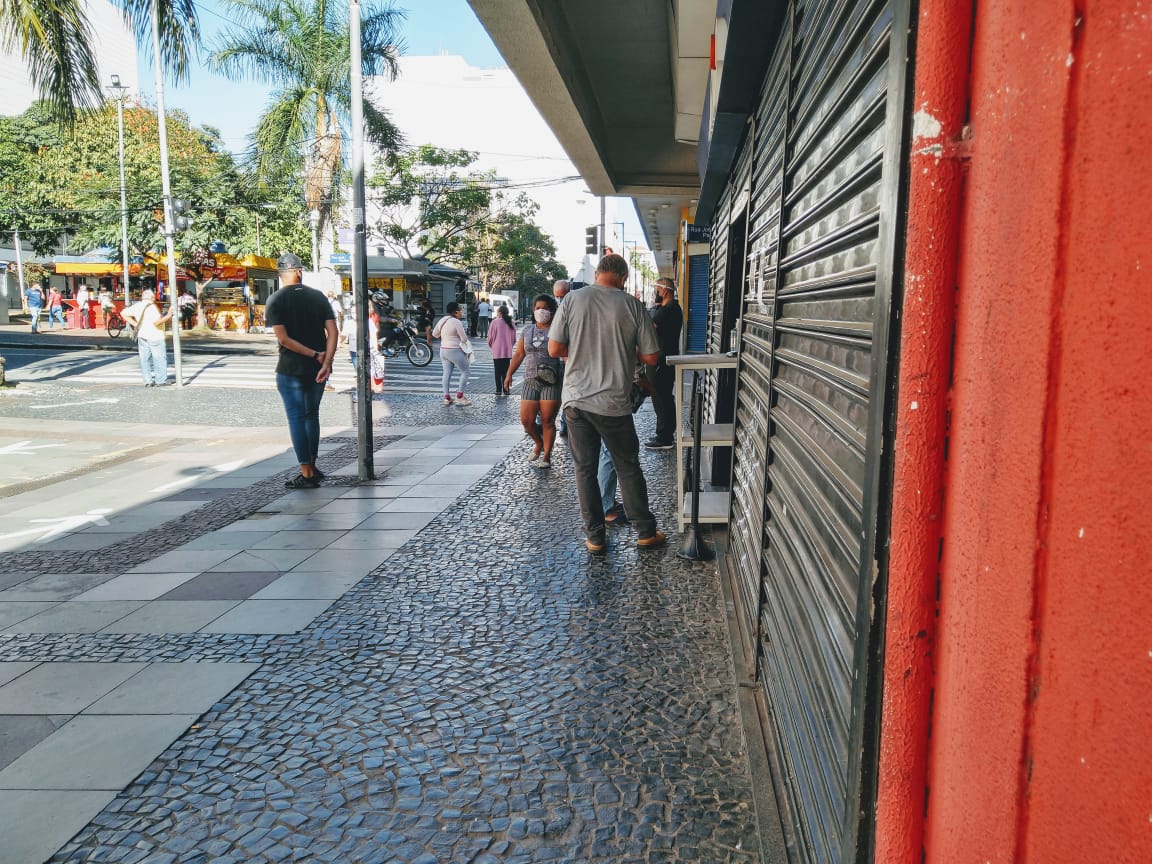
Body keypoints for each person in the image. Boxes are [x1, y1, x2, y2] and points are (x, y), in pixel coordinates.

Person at [548, 253, 665, 552]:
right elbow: (652, 356)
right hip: (613, 402)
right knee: (627, 466)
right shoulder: (632, 305)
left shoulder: (572, 300)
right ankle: (645, 532)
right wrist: (626, 349)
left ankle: (595, 538)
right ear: (623, 278)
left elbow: (554, 348)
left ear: (598, 273)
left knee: (584, 470)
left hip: (575, 401)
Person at [263, 252, 338, 489]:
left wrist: (315, 354)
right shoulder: (317, 297)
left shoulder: (275, 300)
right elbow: (333, 332)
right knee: (311, 416)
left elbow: (283, 339)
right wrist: (325, 361)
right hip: (317, 369)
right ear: (299, 271)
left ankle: (306, 472)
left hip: (290, 369)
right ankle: (313, 466)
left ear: (280, 274)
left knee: (296, 417)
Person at [506, 294, 562, 468]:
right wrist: (509, 375)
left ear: (552, 311)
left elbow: (565, 353)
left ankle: (546, 456)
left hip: (552, 380)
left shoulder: (557, 329)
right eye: (537, 308)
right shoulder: (527, 330)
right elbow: (519, 354)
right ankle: (538, 443)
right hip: (530, 380)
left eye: (545, 308)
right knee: (527, 421)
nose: (541, 311)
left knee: (547, 420)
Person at [645, 277, 684, 449]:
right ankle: (665, 433)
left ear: (665, 290)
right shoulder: (670, 308)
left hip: (662, 359)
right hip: (664, 357)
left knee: (660, 396)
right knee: (663, 396)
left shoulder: (668, 309)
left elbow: (649, 326)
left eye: (658, 289)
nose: (656, 292)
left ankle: (664, 436)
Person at [122, 288, 173, 387]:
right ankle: (161, 380)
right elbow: (157, 322)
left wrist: (135, 324)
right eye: (154, 297)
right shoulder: (151, 307)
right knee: (159, 359)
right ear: (152, 297)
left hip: (142, 335)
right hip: (155, 335)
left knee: (145, 359)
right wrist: (168, 315)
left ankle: (147, 381)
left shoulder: (137, 305)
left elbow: (123, 313)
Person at [432, 301, 472, 406]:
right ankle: (459, 396)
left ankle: (447, 398)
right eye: (460, 310)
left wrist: (445, 336)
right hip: (454, 350)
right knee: (465, 371)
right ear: (455, 312)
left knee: (446, 373)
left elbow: (435, 334)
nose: (461, 312)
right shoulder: (456, 322)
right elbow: (464, 338)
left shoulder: (443, 319)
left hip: (443, 350)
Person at [487, 304, 516, 396]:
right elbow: (514, 338)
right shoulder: (511, 322)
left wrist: (491, 344)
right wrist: (509, 345)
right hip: (507, 350)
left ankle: (498, 390)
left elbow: (490, 336)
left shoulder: (495, 322)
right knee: (506, 371)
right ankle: (506, 389)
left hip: (497, 349)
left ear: (499, 313)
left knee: (497, 371)